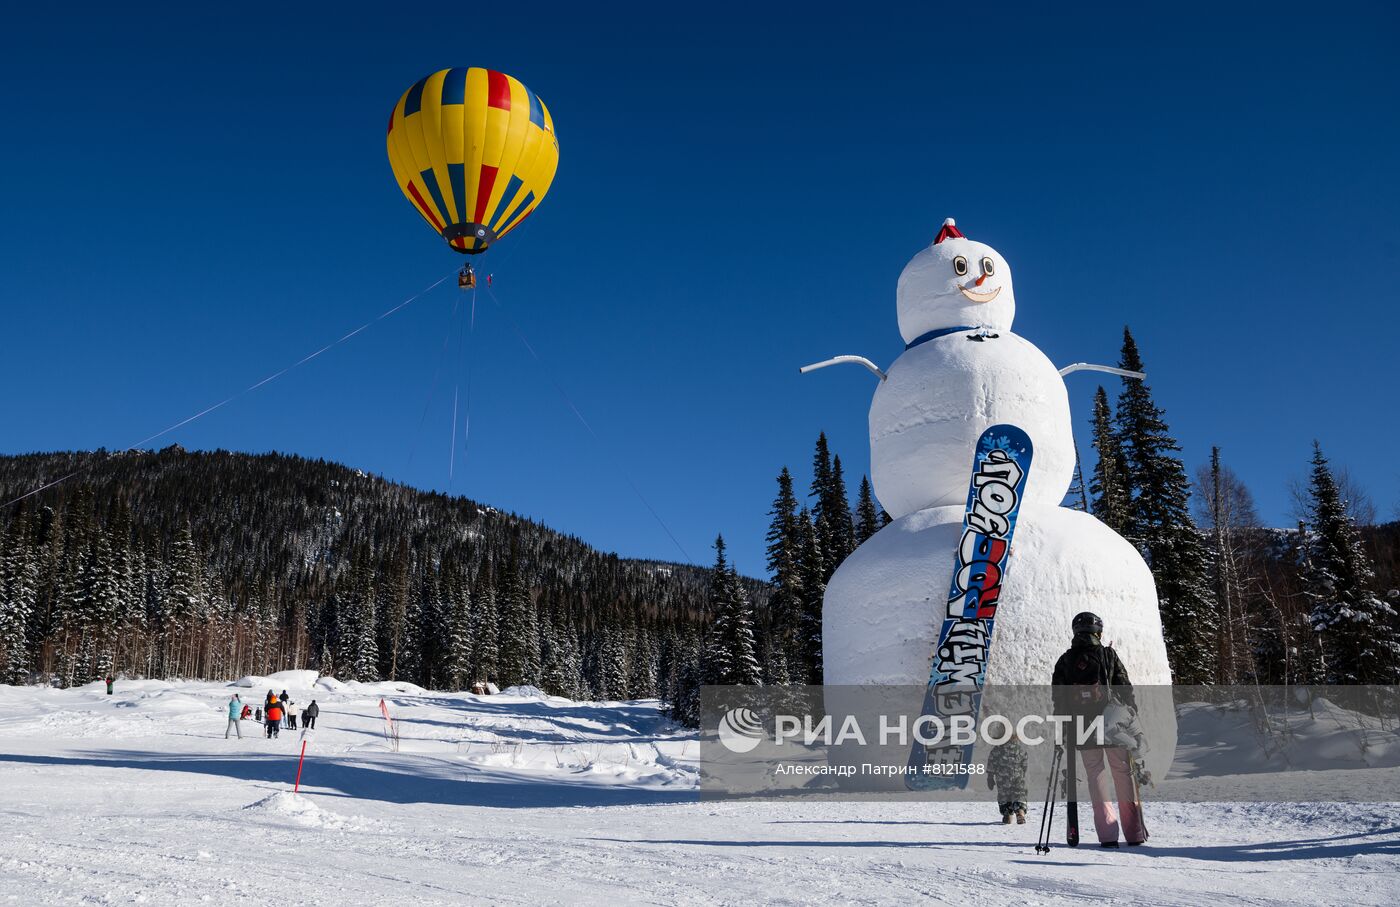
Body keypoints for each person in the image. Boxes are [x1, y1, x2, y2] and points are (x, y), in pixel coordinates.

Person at [1051, 611, 1147, 848]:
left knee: (1096, 778)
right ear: (1098, 632)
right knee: (1123, 776)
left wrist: (1062, 731)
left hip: (1082, 728)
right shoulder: (1108, 655)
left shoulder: (1065, 660)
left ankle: (1107, 835)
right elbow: (1125, 689)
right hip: (1113, 726)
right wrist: (1130, 717)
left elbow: (1059, 700)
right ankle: (1134, 834)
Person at [987, 733, 1029, 824]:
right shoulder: (1020, 749)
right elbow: (1024, 764)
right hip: (1018, 777)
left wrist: (990, 777)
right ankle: (1020, 814)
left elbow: (991, 763)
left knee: (1004, 797)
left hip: (1002, 779)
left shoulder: (997, 750)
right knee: (1019, 795)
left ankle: (1007, 816)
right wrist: (1022, 774)